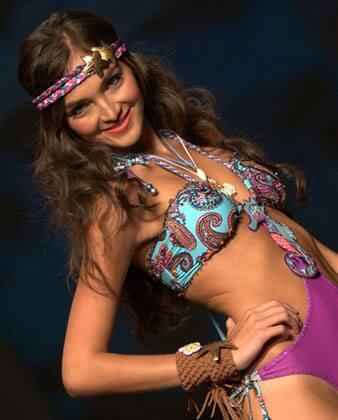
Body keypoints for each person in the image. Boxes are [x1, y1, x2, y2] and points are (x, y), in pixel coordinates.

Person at [18, 10, 338, 420]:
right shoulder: (119, 204)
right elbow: (80, 371)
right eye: (81, 108)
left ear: (130, 64)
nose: (110, 110)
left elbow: (298, 239)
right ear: (63, 125)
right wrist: (217, 360)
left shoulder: (195, 147)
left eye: (112, 81)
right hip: (289, 376)